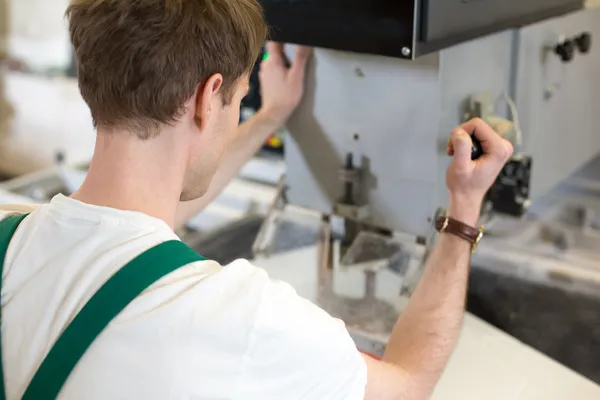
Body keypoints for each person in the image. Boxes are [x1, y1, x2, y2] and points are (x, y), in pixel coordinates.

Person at [0, 1, 513, 399]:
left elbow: (131, 235)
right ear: (206, 98)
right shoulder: (244, 319)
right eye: (236, 101)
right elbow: (406, 385)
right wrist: (464, 210)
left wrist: (269, 116)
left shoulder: (12, 236)